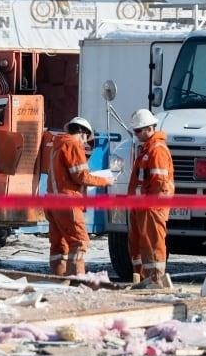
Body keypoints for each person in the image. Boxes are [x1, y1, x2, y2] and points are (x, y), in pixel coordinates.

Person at [45, 116, 114, 276]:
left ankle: (59, 276)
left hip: (52, 202)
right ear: (82, 133)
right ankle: (76, 277)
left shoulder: (57, 145)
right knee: (79, 241)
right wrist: (105, 181)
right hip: (67, 202)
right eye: (86, 140)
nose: (85, 144)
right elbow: (81, 176)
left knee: (59, 244)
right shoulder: (73, 145)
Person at [127, 108, 174, 287]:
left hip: (152, 207)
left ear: (149, 128)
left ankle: (156, 280)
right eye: (135, 131)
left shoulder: (157, 150)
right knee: (139, 244)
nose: (136, 134)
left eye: (138, 130)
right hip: (142, 206)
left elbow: (160, 182)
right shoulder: (146, 149)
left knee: (153, 244)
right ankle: (142, 279)